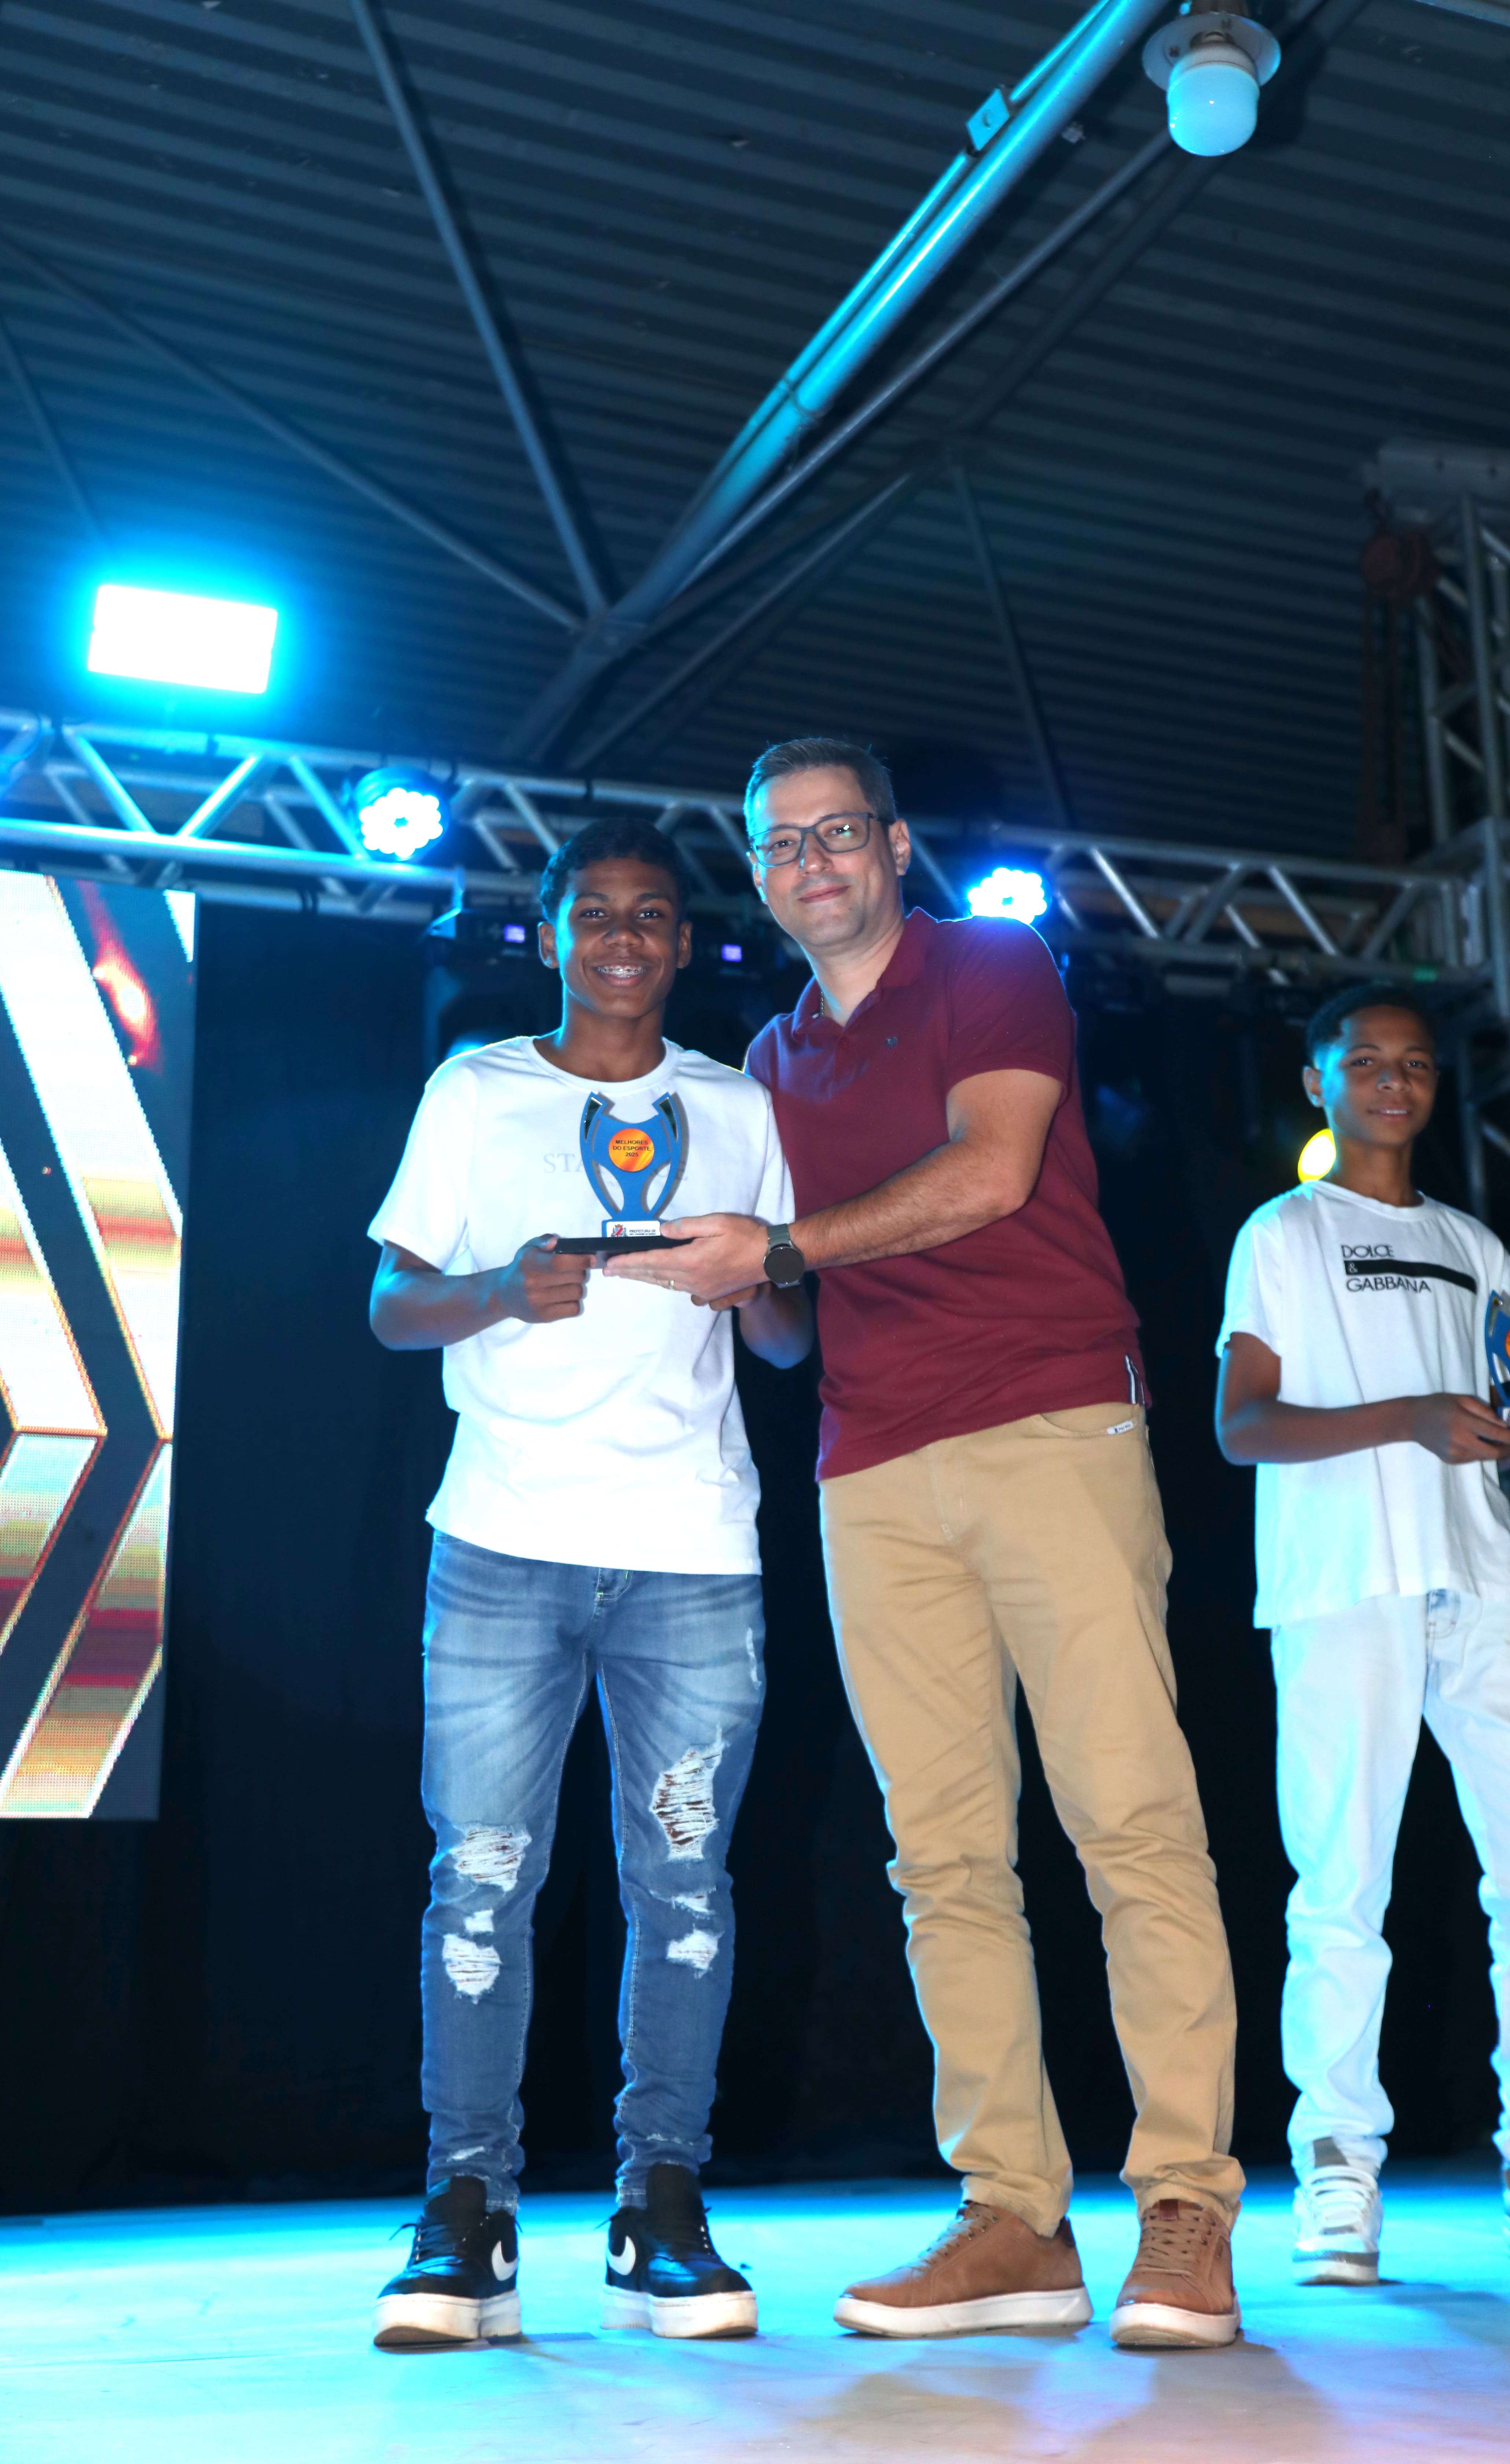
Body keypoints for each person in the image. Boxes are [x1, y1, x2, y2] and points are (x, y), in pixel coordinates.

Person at [607, 737, 1244, 2349]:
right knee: (943, 1858)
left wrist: (781, 1245)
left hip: (1050, 1422)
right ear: (760, 877)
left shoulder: (990, 963)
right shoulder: (767, 1059)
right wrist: (701, 1272)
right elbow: (782, 1321)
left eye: (839, 832)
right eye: (781, 844)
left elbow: (993, 1171)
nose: (811, 861)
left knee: (1130, 1823)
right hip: (870, 1466)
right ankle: (1014, 2217)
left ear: (895, 848)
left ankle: (1185, 2205)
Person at [366, 817, 811, 2349]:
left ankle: (660, 2207)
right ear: (550, 933)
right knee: (483, 1876)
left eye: (651, 916)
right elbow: (391, 1305)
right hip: (503, 1541)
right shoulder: (475, 1092)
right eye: (596, 914)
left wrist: (763, 1275)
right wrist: (501, 1289)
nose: (624, 938)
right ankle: (466, 2214)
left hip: (692, 1550)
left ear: (687, 942)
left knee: (684, 1885)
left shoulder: (739, 1106)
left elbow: (785, 1341)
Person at [1215, 982, 1510, 2285]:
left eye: (1414, 1064)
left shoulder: (1475, 1243)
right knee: (1343, 1886)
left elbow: (1486, 1406)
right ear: (1319, 1083)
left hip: (1481, 1581)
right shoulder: (1284, 1232)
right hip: (1344, 1584)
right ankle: (1337, 2159)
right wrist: (1407, 1416)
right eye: (1366, 1062)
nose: (1393, 1081)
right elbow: (1242, 1425)